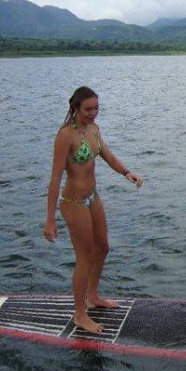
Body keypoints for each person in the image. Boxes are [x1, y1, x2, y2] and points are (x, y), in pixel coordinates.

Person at [43, 86, 143, 333]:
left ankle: (93, 296)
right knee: (85, 257)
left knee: (103, 247)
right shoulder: (66, 135)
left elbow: (107, 155)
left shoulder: (94, 130)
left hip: (92, 198)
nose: (93, 113)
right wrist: (50, 220)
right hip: (73, 203)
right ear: (75, 108)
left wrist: (126, 172)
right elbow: (55, 178)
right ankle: (79, 314)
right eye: (88, 109)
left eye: (96, 108)